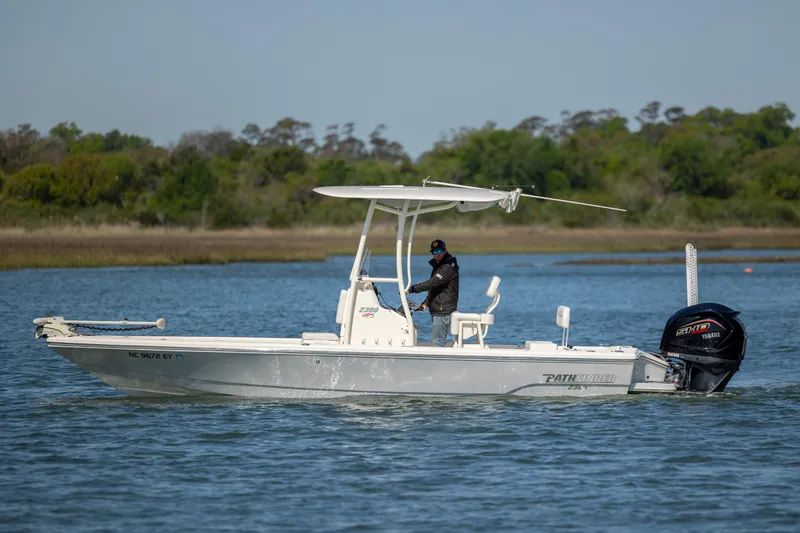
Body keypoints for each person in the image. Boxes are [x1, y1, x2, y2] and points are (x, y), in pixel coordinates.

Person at [407, 239, 459, 347]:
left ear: (445, 251)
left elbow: (432, 283)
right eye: (434, 252)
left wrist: (412, 289)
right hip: (439, 309)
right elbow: (435, 287)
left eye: (440, 251)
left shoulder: (447, 267)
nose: (437, 254)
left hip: (442, 310)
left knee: (438, 343)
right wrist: (426, 303)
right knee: (438, 342)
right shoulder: (439, 265)